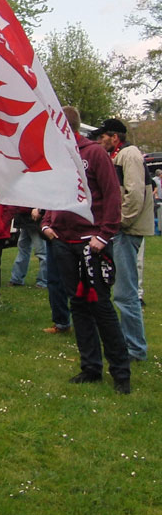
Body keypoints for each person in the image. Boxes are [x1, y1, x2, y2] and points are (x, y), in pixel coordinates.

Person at [41, 107, 131, 394]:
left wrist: (105, 235)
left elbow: (112, 194)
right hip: (64, 241)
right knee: (77, 305)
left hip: (90, 241)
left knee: (100, 306)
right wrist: (46, 223)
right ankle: (90, 367)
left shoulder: (94, 154)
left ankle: (120, 373)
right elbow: (51, 193)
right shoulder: (55, 157)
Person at [93, 118, 154, 362]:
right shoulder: (119, 156)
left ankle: (135, 348)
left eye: (103, 137)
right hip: (122, 230)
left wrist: (119, 223)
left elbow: (135, 194)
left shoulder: (129, 155)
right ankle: (129, 343)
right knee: (121, 290)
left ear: (114, 137)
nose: (99, 141)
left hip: (126, 232)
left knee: (125, 293)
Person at [9, 207, 47, 288]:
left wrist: (41, 211)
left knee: (41, 253)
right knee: (24, 250)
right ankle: (17, 279)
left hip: (33, 220)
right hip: (26, 220)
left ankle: (43, 281)